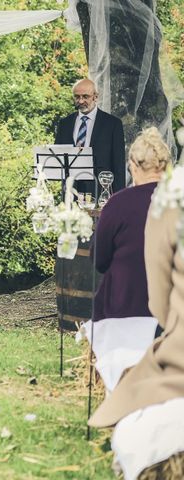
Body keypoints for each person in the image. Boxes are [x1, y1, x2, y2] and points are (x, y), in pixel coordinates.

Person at [80, 127, 169, 392]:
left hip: (123, 309)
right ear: (166, 166)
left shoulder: (117, 204)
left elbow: (100, 261)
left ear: (132, 165)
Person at [55, 79, 126, 194]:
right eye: (77, 97)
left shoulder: (113, 124)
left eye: (85, 96)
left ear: (95, 97)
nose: (81, 101)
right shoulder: (64, 124)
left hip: (101, 190)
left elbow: (119, 166)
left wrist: (119, 198)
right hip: (71, 191)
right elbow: (57, 158)